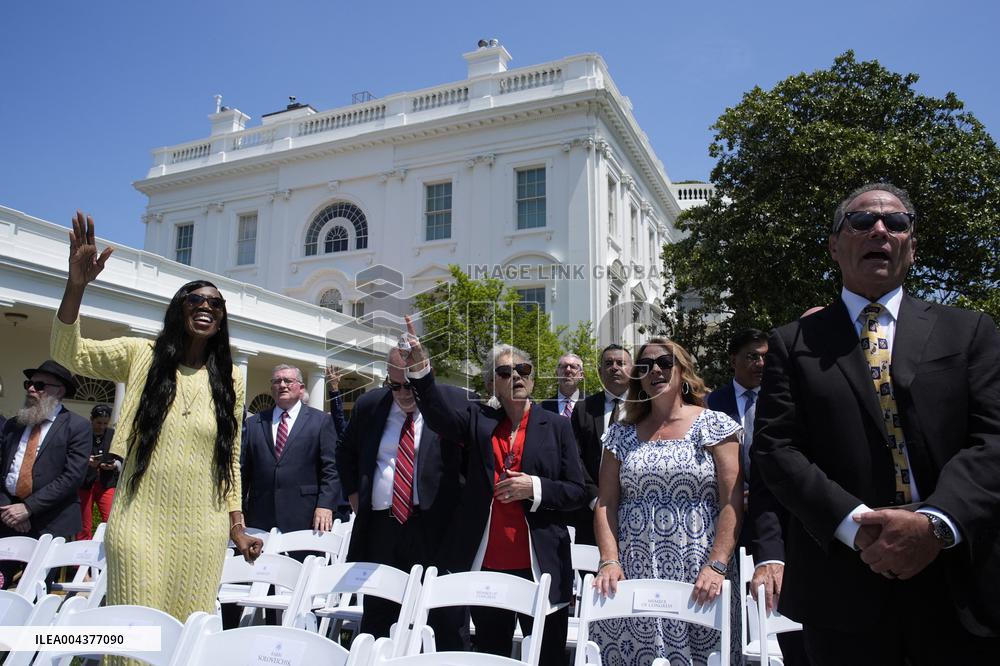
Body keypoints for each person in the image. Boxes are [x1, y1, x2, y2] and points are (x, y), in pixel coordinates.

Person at [753, 182, 1000, 664]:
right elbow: (777, 450)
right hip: (845, 588)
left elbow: (992, 439)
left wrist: (934, 524)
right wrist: (857, 527)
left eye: (897, 222)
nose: (880, 231)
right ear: (834, 244)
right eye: (862, 221)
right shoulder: (792, 343)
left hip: (959, 582)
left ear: (912, 244)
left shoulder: (969, 330)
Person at [51, 211, 262, 625]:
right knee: (133, 631)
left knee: (183, 635)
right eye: (196, 299)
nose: (206, 307)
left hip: (203, 530)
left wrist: (236, 527)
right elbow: (67, 353)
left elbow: (229, 461)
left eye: (216, 303)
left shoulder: (231, 380)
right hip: (138, 520)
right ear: (178, 309)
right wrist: (76, 287)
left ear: (222, 319)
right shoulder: (140, 356)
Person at [402, 318, 586, 665]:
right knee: (491, 654)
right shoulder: (478, 419)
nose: (516, 376)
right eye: (505, 373)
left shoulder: (557, 426)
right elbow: (439, 416)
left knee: (547, 655)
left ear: (532, 377)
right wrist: (421, 370)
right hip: (489, 566)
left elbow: (577, 491)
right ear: (491, 383)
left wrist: (535, 487)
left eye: (523, 369)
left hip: (542, 565)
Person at [592, 337, 743, 666]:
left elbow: (731, 501)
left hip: (700, 574)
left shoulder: (714, 425)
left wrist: (717, 564)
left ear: (683, 370)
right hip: (632, 570)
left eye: (664, 362)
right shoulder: (620, 433)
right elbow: (606, 504)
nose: (655, 370)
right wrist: (609, 560)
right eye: (645, 366)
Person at [335, 348, 468, 649]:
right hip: (383, 528)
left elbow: (472, 461)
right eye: (394, 386)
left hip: (436, 528)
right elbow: (345, 452)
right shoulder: (370, 406)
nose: (403, 393)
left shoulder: (453, 401)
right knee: (379, 617)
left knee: (442, 618)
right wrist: (355, 495)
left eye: (410, 385)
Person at [0, 360, 90, 585]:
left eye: (40, 385)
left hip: (50, 521)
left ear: (59, 391)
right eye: (29, 383)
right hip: (7, 518)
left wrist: (29, 508)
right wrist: (9, 509)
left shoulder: (76, 427)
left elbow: (72, 477)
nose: (31, 389)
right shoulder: (13, 425)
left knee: (35, 590)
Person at [241, 364, 340, 535]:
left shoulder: (321, 421)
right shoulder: (253, 423)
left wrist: (325, 505)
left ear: (301, 388)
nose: (282, 385)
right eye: (277, 381)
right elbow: (243, 471)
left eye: (288, 380)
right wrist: (237, 510)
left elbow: (330, 469)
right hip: (260, 517)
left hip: (305, 516)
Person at [569, 344, 632, 545]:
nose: (614, 367)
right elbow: (574, 457)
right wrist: (594, 498)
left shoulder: (647, 408)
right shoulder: (583, 409)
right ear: (599, 371)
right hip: (591, 512)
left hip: (636, 509)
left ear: (633, 370)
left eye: (621, 363)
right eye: (608, 363)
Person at [76, 403, 120, 540]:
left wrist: (115, 465)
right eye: (98, 422)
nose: (101, 426)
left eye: (105, 423)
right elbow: (73, 455)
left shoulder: (113, 434)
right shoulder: (81, 433)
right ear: (91, 419)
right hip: (85, 483)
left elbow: (121, 456)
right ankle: (80, 560)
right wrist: (86, 462)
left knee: (111, 521)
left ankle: (107, 555)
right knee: (84, 525)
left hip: (107, 483)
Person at [541, 353, 585, 418]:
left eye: (573, 367)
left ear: (581, 375)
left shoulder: (593, 405)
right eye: (563, 366)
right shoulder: (542, 408)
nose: (568, 370)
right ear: (557, 373)